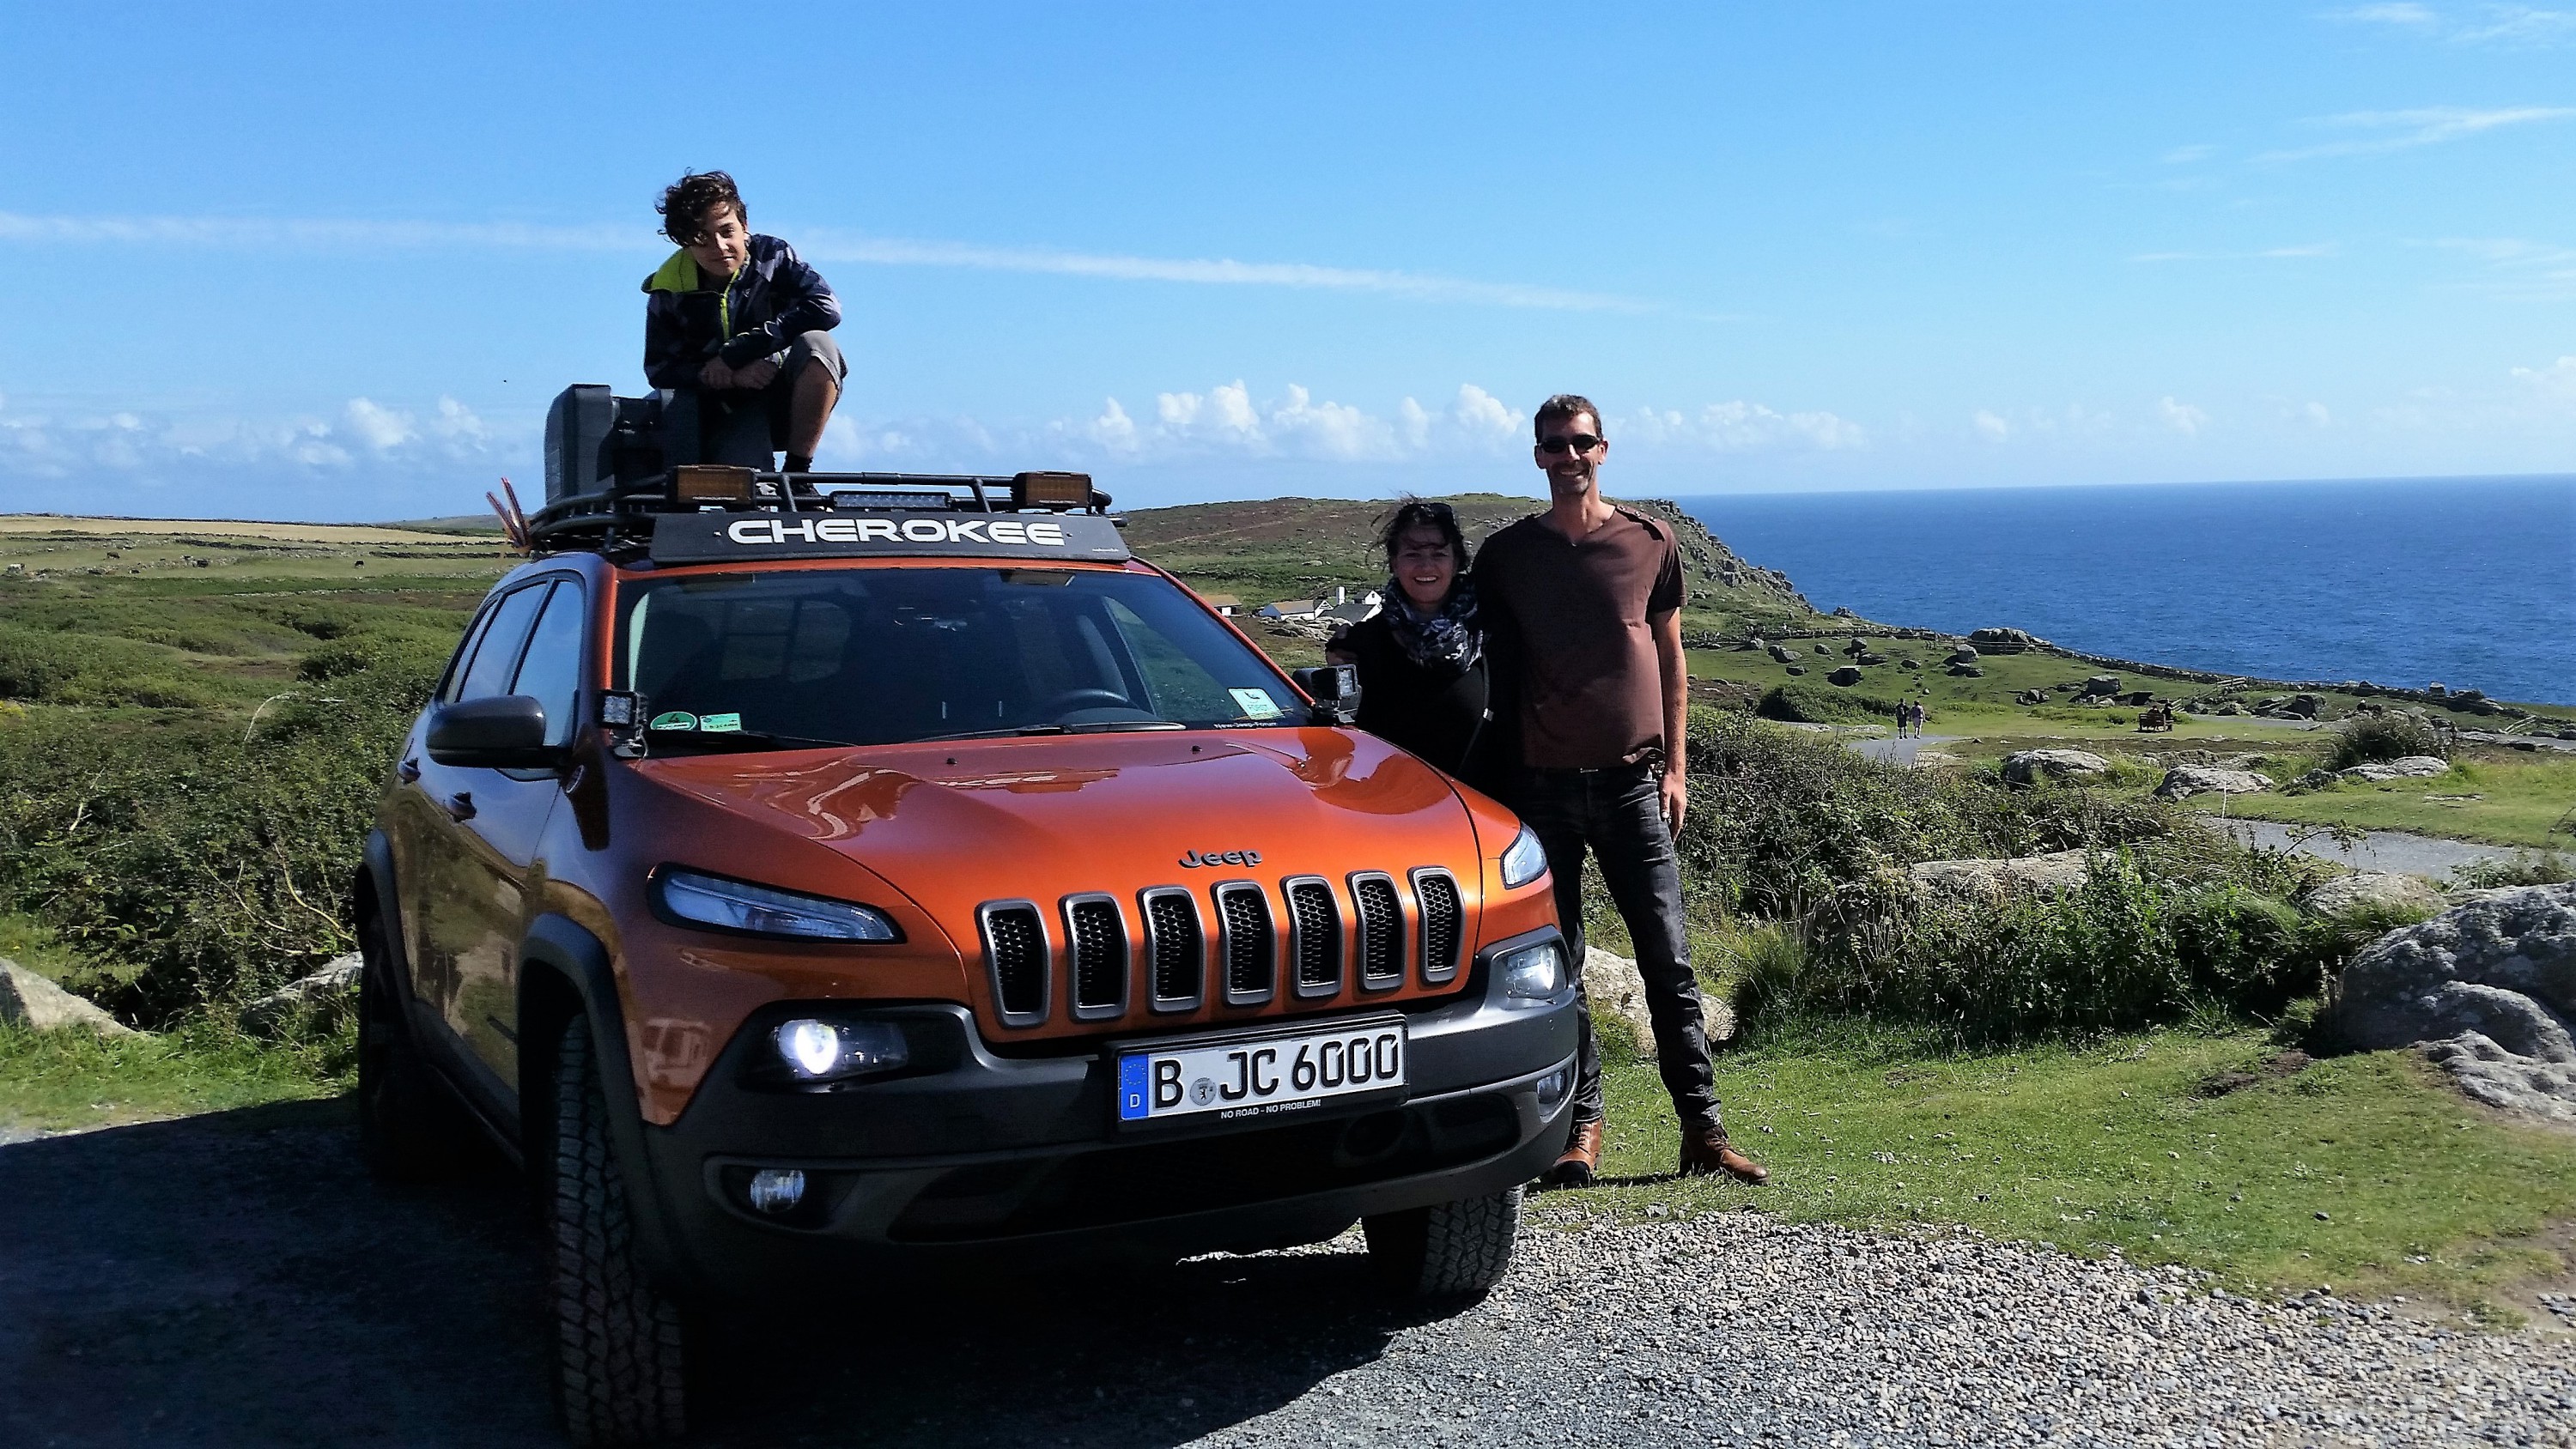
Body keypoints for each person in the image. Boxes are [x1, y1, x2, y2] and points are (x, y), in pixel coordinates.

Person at [1475, 394, 1767, 1187]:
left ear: (1604, 450)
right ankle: (1582, 1129)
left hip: (1635, 785)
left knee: (1668, 961)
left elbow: (1672, 660)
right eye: (1553, 447)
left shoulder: (1650, 542)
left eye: (1580, 444)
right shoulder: (1506, 557)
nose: (1567, 458)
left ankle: (1702, 1131)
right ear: (1536, 457)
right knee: (1559, 967)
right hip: (1540, 791)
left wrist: (1677, 767)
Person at [642, 170, 846, 474]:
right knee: (753, 496)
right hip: (725, 412)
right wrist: (730, 376)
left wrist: (741, 353)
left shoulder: (774, 256)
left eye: (727, 232)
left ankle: (799, 471)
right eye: (702, 238)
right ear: (684, 242)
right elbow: (660, 370)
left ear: (744, 226)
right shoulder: (669, 290)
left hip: (786, 397)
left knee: (819, 345)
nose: (719, 246)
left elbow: (826, 307)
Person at [1326, 499, 1512, 797]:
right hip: (1394, 817)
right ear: (1394, 562)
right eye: (1413, 554)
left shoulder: (1494, 633)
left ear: (1457, 560)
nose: (1426, 566)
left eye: (1439, 553)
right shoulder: (1357, 645)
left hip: (1484, 820)